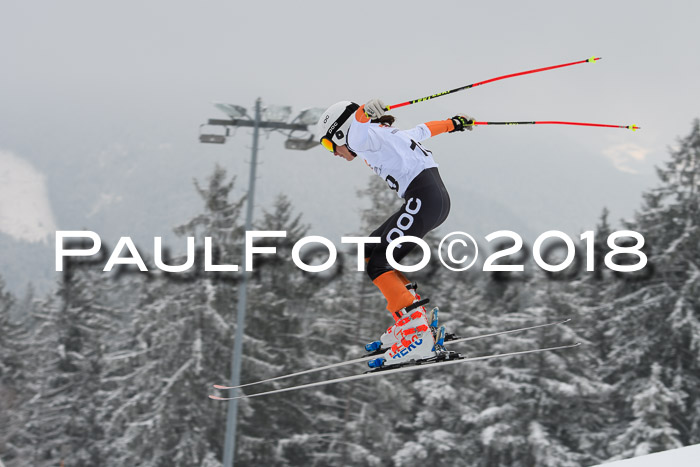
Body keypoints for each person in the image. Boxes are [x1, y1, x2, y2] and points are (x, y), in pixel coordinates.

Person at [316, 99, 475, 367]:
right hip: (432, 200)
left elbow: (359, 123)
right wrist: (453, 124)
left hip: (423, 200)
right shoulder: (389, 133)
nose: (332, 152)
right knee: (369, 252)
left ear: (340, 133)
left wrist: (363, 111)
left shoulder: (360, 138)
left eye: (328, 144)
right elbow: (424, 130)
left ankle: (417, 335)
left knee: (379, 263)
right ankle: (412, 321)